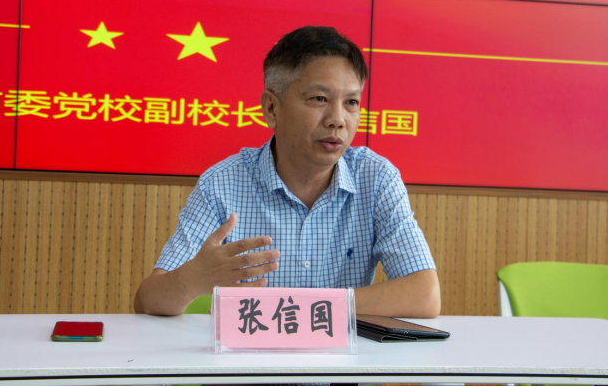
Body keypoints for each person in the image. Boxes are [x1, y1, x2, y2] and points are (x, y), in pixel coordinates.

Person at [134, 26, 440, 318]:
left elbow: (424, 296)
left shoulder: (376, 178)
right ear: (271, 108)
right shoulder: (223, 183)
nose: (337, 119)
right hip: (251, 357)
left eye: (351, 102)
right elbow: (148, 301)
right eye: (319, 99)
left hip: (338, 358)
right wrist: (192, 280)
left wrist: (298, 309)